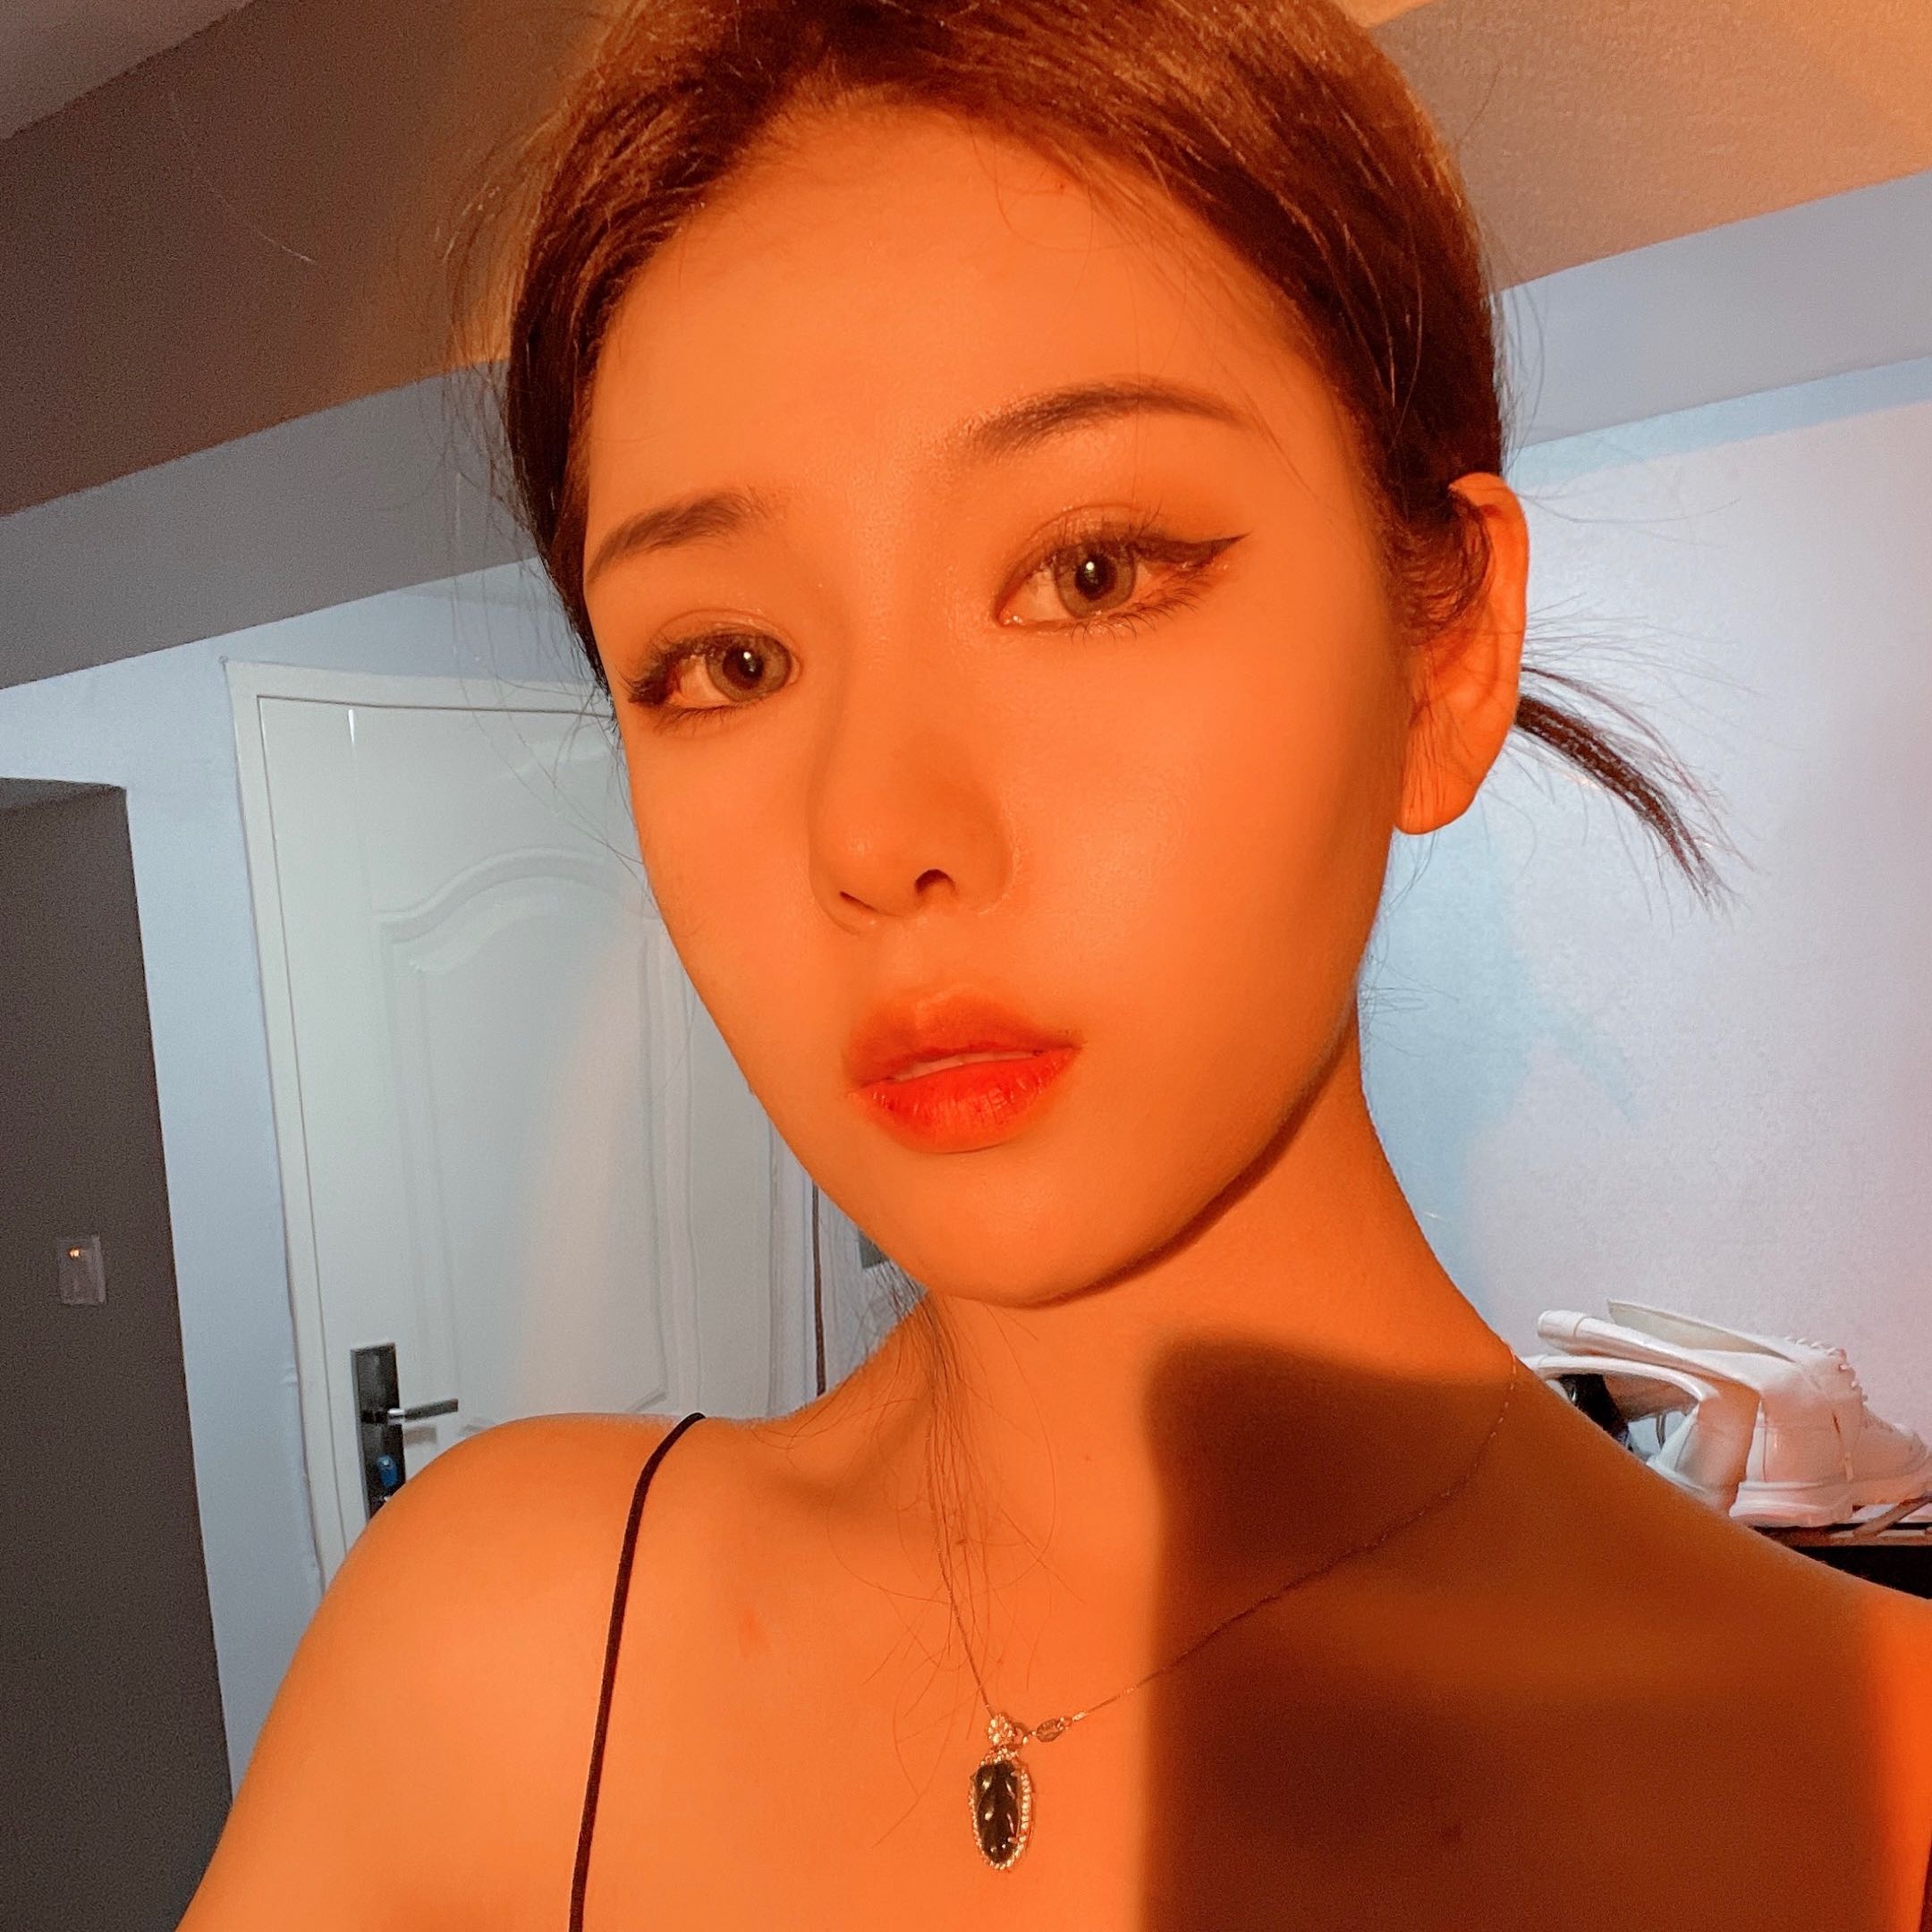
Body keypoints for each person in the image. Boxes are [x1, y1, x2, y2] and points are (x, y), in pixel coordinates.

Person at [181, 2, 1932, 1926]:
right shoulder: (496, 1660)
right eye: (727, 662)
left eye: (1092, 570)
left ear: (1447, 646)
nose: (876, 832)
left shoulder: (1868, 1777)